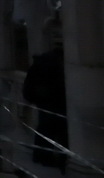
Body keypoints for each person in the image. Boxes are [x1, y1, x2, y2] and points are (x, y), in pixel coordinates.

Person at [23, 39, 69, 168]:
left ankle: (42, 156)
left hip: (45, 100)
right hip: (52, 100)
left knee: (46, 129)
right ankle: (56, 158)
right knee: (57, 130)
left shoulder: (43, 61)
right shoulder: (51, 64)